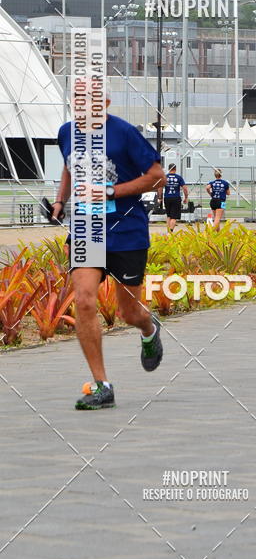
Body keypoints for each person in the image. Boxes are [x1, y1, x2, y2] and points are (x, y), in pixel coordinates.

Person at [52, 82, 167, 410]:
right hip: (87, 230)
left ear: (105, 102)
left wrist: (113, 192)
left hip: (127, 230)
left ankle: (148, 329)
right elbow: (68, 167)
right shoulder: (66, 132)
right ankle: (102, 385)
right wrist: (61, 201)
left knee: (128, 312)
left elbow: (157, 176)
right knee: (85, 301)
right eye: (78, 99)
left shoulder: (125, 133)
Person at [158, 163, 189, 233]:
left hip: (167, 198)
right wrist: (186, 197)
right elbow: (185, 188)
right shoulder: (179, 177)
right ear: (175, 169)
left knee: (168, 215)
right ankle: (171, 232)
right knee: (174, 217)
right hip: (176, 198)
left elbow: (160, 187)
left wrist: (160, 197)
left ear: (169, 169)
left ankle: (168, 231)